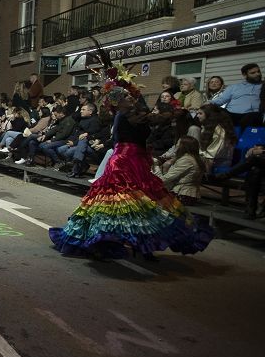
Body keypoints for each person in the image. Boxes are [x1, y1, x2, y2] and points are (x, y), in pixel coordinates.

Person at [50, 64, 213, 259]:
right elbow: (154, 120)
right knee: (120, 204)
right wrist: (175, 111)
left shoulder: (134, 112)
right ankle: (104, 241)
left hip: (138, 161)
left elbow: (150, 120)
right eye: (126, 97)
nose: (131, 98)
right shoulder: (125, 115)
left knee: (144, 204)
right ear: (118, 102)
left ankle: (144, 245)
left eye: (130, 95)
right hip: (123, 162)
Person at [210, 63, 262, 127]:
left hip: (252, 114)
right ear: (244, 75)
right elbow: (221, 100)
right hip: (231, 114)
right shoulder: (234, 87)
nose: (258, 74)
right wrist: (208, 103)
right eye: (253, 73)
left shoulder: (263, 86)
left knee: (252, 117)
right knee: (215, 111)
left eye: (258, 71)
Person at [157, 136, 204, 206]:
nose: (176, 146)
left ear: (184, 146)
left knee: (149, 199)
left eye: (178, 143)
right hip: (189, 195)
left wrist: (153, 181)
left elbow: (169, 177)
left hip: (183, 194)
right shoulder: (194, 157)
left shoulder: (186, 160)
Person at [196, 104, 237, 173]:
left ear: (209, 115)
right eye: (197, 113)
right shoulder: (206, 127)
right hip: (209, 158)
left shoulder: (219, 129)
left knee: (187, 161)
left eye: (200, 113)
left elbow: (214, 153)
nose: (197, 116)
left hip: (219, 161)